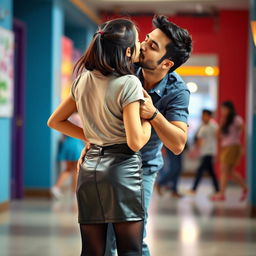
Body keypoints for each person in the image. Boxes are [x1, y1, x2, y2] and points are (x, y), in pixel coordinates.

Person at [78, 15, 192, 256]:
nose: (141, 45)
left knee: (133, 240)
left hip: (143, 167)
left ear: (166, 63)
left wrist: (153, 114)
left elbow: (178, 143)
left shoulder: (176, 91)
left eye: (152, 46)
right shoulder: (125, 66)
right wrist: (92, 140)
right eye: (146, 39)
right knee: (104, 238)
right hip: (107, 161)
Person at [48, 18, 152, 256]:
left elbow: (55, 121)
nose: (141, 47)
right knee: (130, 250)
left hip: (89, 168)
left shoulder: (83, 80)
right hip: (121, 169)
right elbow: (135, 141)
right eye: (137, 43)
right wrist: (148, 120)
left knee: (92, 250)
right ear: (128, 51)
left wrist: (92, 138)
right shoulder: (129, 83)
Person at [210, 101, 248, 201]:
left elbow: (243, 130)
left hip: (233, 147)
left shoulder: (236, 119)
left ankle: (222, 194)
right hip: (226, 147)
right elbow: (218, 135)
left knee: (224, 170)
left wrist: (243, 146)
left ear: (230, 109)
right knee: (229, 171)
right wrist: (222, 124)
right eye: (222, 109)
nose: (223, 111)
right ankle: (245, 188)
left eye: (224, 109)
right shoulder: (225, 120)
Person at [51, 113, 85, 199]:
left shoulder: (68, 117)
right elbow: (83, 132)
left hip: (67, 143)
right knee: (76, 170)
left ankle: (57, 187)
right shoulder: (79, 118)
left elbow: (63, 133)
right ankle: (74, 193)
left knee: (68, 168)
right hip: (76, 144)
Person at [187, 109, 219, 195]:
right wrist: (195, 150)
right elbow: (198, 139)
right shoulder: (202, 126)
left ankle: (194, 189)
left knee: (200, 170)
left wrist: (217, 153)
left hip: (210, 152)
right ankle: (217, 190)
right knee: (211, 172)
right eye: (202, 115)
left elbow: (218, 138)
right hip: (204, 152)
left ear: (209, 116)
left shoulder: (214, 126)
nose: (202, 117)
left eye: (204, 115)